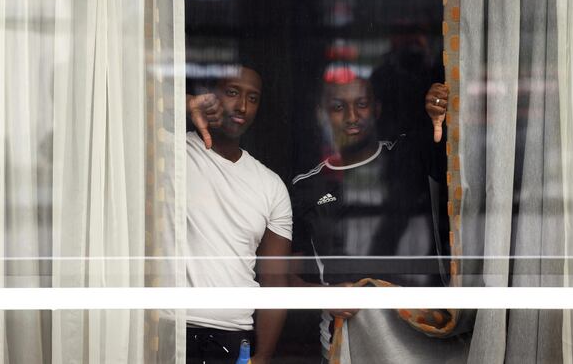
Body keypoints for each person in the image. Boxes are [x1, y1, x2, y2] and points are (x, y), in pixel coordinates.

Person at [289, 65, 450, 361]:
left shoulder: (409, 156)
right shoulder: (306, 187)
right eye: (338, 107)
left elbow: (459, 162)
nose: (351, 117)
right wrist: (321, 296)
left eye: (361, 104)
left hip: (423, 341)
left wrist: (440, 111)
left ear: (376, 109)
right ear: (321, 114)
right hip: (348, 342)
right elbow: (287, 276)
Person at [185, 64, 292, 364]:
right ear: (211, 94)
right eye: (232, 92)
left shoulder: (270, 185)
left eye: (253, 98)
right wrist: (185, 102)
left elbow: (273, 283)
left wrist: (265, 355)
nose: (242, 106)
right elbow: (126, 110)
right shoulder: (171, 153)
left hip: (234, 336)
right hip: (171, 327)